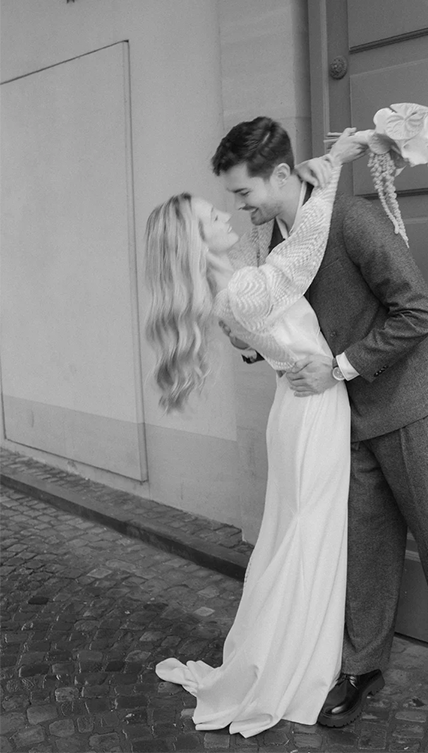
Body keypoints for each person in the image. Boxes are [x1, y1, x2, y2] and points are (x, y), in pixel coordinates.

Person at [212, 116, 428, 740]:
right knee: (364, 548)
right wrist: (255, 346)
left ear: (278, 174)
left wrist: (341, 368)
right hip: (338, 421)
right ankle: (362, 668)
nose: (239, 205)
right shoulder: (270, 240)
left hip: (408, 403)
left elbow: (418, 311)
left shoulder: (351, 219)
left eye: (243, 192)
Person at [144, 130, 367, 738]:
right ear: (198, 240)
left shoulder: (233, 279)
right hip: (312, 406)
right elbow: (304, 252)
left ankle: (286, 648)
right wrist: (336, 172)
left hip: (297, 406)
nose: (228, 210)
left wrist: (306, 174)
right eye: (212, 213)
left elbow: (267, 238)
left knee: (296, 531)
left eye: (232, 198)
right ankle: (297, 663)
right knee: (309, 532)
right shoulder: (240, 287)